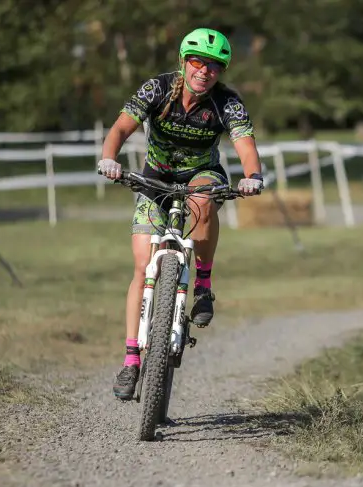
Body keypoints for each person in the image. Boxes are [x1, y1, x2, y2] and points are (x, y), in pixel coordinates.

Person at [97, 28, 264, 401]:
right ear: (184, 61)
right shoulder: (157, 89)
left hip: (201, 175)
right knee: (142, 266)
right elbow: (122, 127)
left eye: (214, 67)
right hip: (156, 176)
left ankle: (202, 285)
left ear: (220, 72)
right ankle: (131, 360)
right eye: (197, 62)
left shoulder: (227, 103)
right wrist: (109, 158)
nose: (204, 71)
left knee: (205, 198)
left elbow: (245, 146)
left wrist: (252, 177)